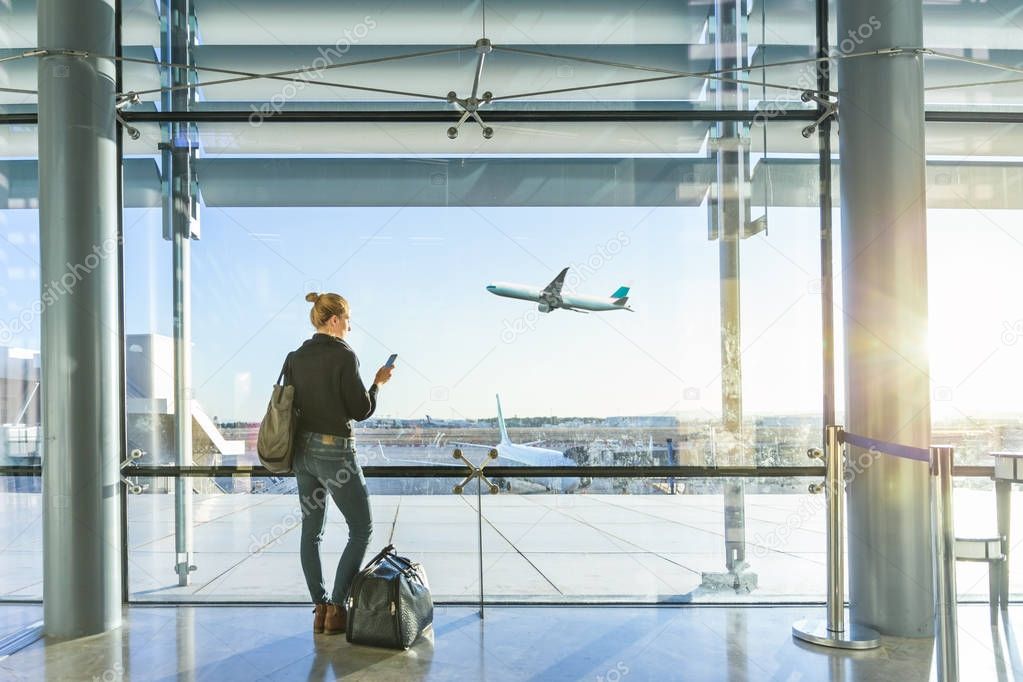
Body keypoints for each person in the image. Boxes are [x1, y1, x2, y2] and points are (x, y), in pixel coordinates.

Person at [287, 291, 394, 635]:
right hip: (335, 453)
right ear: (334, 320)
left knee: (311, 532)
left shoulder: (294, 357)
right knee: (361, 529)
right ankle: (336, 608)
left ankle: (319, 609)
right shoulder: (345, 357)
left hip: (302, 454)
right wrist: (378, 383)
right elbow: (360, 410)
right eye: (348, 319)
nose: (350, 325)